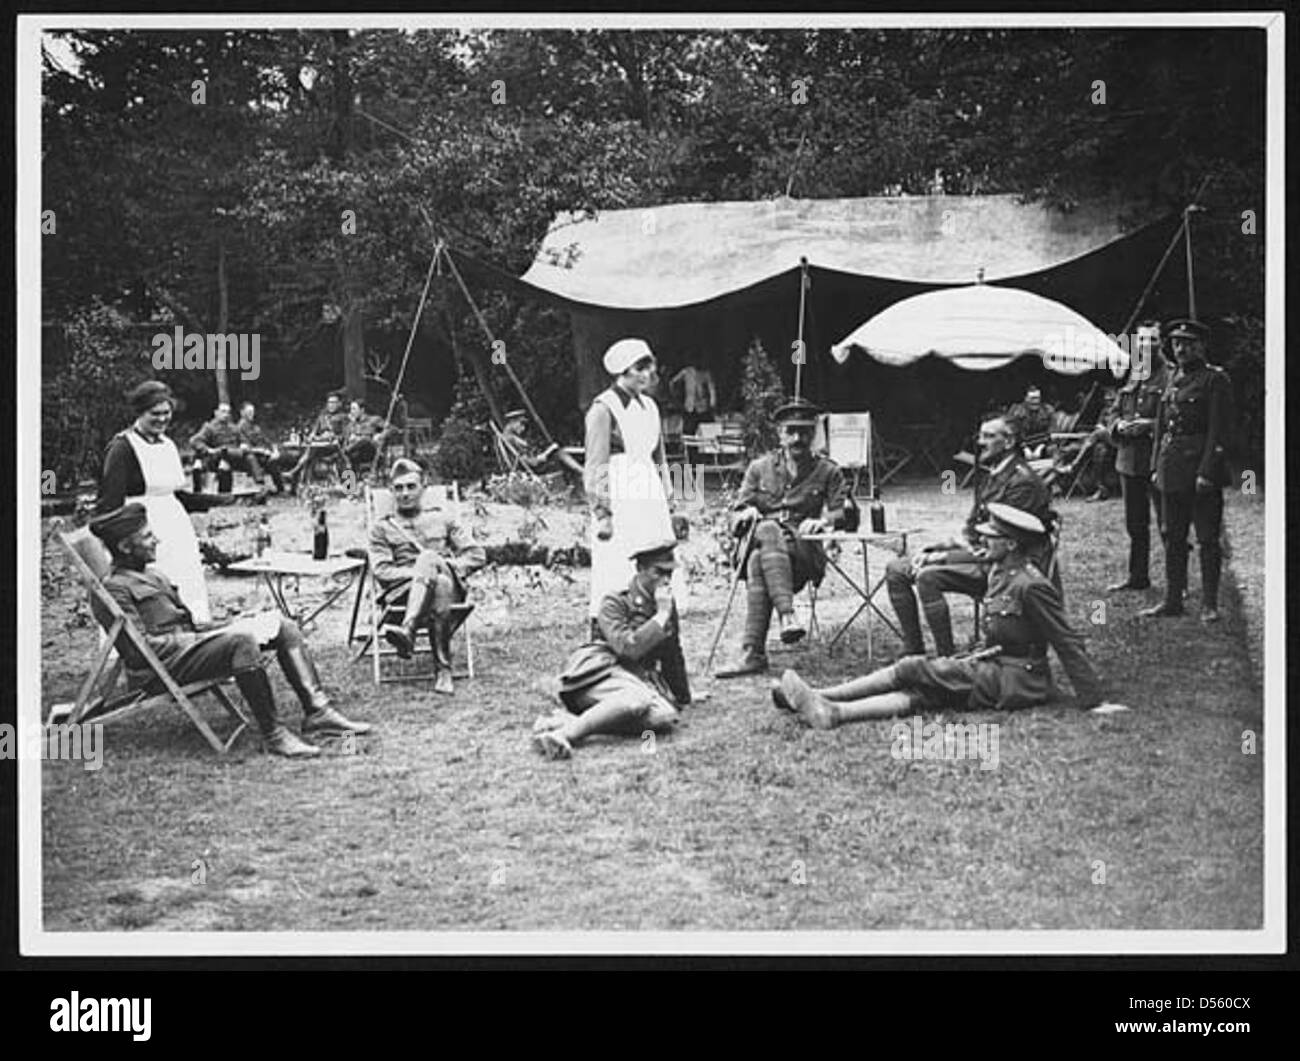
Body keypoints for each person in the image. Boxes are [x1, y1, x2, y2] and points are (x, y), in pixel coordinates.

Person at [775, 504, 1126, 727]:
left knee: (914, 668)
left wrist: (1094, 700)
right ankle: (832, 711)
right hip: (996, 669)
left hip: (1018, 680)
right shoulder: (1000, 571)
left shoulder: (1030, 585)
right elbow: (968, 557)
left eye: (992, 536)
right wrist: (937, 556)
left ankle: (826, 694)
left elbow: (1065, 639)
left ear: (1012, 545)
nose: (983, 540)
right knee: (928, 693)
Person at [89, 503, 371, 758]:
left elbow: (188, 622)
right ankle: (273, 734)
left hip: (188, 651)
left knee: (281, 625)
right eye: (148, 537)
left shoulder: (152, 574)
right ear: (125, 546)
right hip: (161, 669)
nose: (157, 541)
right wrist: (209, 638)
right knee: (242, 642)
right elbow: (139, 652)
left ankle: (318, 710)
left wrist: (228, 624)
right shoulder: (115, 589)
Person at [884, 416, 1053, 658]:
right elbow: (974, 530)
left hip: (1004, 569)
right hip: (981, 556)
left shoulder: (1021, 482)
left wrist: (942, 558)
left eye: (988, 436)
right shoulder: (993, 474)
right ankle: (914, 651)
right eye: (980, 435)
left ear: (1009, 442)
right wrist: (939, 547)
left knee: (927, 576)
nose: (980, 442)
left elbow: (1000, 549)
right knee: (896, 569)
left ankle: (946, 658)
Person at [714, 397, 850, 678]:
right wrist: (746, 512)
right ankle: (787, 615)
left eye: (805, 432)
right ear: (779, 433)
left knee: (756, 561)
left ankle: (753, 654)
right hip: (767, 544)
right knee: (765, 529)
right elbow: (736, 513)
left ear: (813, 434)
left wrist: (823, 521)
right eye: (791, 431)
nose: (798, 438)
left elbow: (846, 513)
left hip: (802, 556)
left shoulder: (828, 471)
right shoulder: (759, 468)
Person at [533, 538, 690, 760]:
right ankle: (565, 735)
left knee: (664, 716)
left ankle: (566, 721)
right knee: (638, 698)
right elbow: (627, 649)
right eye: (658, 572)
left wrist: (683, 696)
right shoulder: (615, 601)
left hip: (630, 680)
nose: (666, 580)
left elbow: (673, 653)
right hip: (598, 672)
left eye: (670, 574)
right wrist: (661, 616)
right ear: (640, 569)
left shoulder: (664, 603)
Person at [94, 380, 214, 625]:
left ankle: (191, 636)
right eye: (154, 414)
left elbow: (174, 493)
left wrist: (220, 500)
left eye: (166, 413)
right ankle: (155, 646)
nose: (161, 419)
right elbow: (109, 505)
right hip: (142, 530)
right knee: (152, 586)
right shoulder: (122, 448)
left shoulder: (168, 444)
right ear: (139, 413)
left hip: (176, 528)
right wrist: (119, 546)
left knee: (186, 581)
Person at [584, 338, 681, 634]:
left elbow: (660, 456)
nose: (647, 374)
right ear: (621, 371)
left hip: (648, 489)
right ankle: (610, 626)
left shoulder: (650, 406)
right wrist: (603, 513)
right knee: (619, 561)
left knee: (654, 555)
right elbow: (596, 463)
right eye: (640, 367)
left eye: (649, 366)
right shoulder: (603, 409)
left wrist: (670, 495)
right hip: (621, 490)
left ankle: (656, 621)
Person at [1140, 318, 1233, 623]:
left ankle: (1209, 603)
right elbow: (1160, 426)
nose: (1181, 349)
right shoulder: (1173, 378)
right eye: (1177, 343)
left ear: (1201, 346)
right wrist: (1156, 465)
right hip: (1171, 469)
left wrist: (1208, 471)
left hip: (1199, 470)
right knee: (1173, 535)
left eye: (1188, 344)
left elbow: (1219, 431)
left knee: (1207, 538)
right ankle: (1172, 600)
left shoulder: (1214, 379)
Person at [368, 458, 486, 694]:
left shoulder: (443, 518)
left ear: (423, 487)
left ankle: (408, 629)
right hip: (403, 594)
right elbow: (381, 570)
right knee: (437, 581)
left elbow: (476, 555)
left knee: (432, 563)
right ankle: (443, 670)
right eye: (398, 488)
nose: (405, 493)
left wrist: (441, 565)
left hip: (449, 583)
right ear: (391, 491)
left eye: (411, 486)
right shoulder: (382, 528)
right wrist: (424, 574)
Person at [1099, 322, 1171, 591]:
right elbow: (1115, 410)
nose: (1145, 346)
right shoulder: (1135, 371)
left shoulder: (1171, 375)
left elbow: (1180, 419)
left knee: (1168, 525)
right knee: (1135, 525)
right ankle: (1138, 577)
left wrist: (1150, 425)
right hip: (1130, 461)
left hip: (1160, 460)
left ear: (1161, 342)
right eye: (1141, 341)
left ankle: (1178, 583)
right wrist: (1117, 426)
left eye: (1151, 341)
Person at [288, 391, 349, 487]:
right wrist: (312, 436)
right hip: (319, 445)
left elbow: (344, 435)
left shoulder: (343, 417)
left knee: (310, 452)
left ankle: (295, 471)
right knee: (309, 451)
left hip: (334, 448)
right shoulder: (322, 417)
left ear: (339, 404)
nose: (331, 405)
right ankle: (299, 482)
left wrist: (332, 436)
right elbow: (314, 431)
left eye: (334, 403)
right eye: (329, 403)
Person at [188, 402, 244, 494]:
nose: (225, 415)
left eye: (227, 412)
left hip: (235, 457)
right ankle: (198, 493)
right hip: (215, 458)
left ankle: (225, 494)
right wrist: (207, 449)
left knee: (227, 460)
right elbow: (194, 441)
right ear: (216, 413)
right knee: (199, 464)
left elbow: (244, 440)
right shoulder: (209, 427)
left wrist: (243, 444)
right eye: (223, 412)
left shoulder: (234, 428)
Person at [234, 401, 288, 495]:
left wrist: (274, 450)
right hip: (248, 457)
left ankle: (281, 489)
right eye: (249, 412)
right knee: (254, 459)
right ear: (242, 413)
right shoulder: (239, 428)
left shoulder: (255, 427)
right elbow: (245, 447)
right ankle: (261, 486)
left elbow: (267, 440)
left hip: (262, 454)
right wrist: (262, 451)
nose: (252, 414)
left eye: (253, 411)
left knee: (275, 460)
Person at [342, 399, 391, 474]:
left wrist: (380, 435)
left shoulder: (374, 420)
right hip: (356, 452)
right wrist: (351, 431)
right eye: (351, 409)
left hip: (372, 450)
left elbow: (391, 429)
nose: (351, 412)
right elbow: (345, 438)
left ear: (362, 410)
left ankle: (344, 452)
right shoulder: (351, 424)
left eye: (354, 409)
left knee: (364, 440)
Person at [1006, 386, 1056, 458]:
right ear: (1026, 399)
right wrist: (1025, 448)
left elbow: (1053, 431)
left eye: (1038, 398)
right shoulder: (1016, 411)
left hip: (1043, 445)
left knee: (1052, 448)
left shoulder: (1048, 410)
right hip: (1021, 446)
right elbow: (1013, 433)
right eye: (1032, 398)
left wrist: (1040, 447)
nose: (1035, 401)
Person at [670, 362, 717, 435]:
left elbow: (711, 389)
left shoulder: (705, 373)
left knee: (706, 429)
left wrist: (712, 403)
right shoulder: (687, 371)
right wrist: (677, 397)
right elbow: (673, 382)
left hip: (702, 407)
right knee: (689, 430)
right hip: (690, 407)